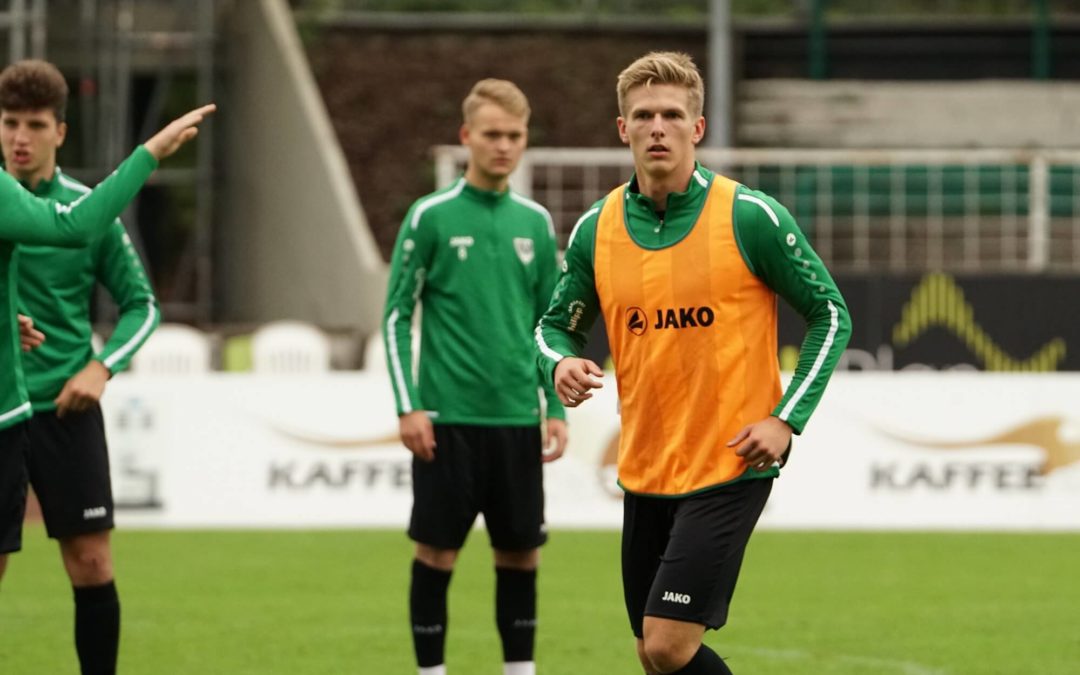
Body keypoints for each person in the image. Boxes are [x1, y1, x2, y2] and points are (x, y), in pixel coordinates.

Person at [535, 52, 851, 675]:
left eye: (673, 115)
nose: (659, 127)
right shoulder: (596, 230)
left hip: (730, 463)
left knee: (668, 645)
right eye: (644, 115)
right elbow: (551, 329)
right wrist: (560, 365)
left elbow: (831, 314)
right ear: (621, 129)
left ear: (697, 129)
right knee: (652, 658)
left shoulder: (748, 216)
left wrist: (786, 420)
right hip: (647, 468)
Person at [0, 65, 212, 663]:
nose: (20, 137)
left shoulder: (90, 212)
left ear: (59, 132)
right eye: (10, 122)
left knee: (91, 564)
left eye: (35, 125)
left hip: (65, 409)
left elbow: (143, 306)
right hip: (5, 408)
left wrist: (102, 367)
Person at [382, 79, 568, 675]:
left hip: (517, 420)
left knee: (520, 558)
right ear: (466, 138)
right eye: (492, 134)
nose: (504, 146)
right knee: (436, 554)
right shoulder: (430, 217)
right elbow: (393, 317)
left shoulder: (535, 223)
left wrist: (556, 408)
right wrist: (408, 406)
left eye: (515, 135)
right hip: (446, 421)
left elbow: (553, 326)